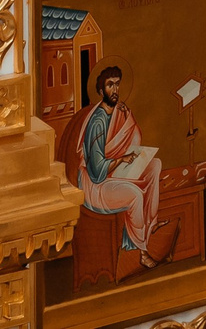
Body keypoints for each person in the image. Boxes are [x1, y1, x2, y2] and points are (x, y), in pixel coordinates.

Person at [67, 64, 162, 263]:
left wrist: (127, 117)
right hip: (95, 186)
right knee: (135, 195)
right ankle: (141, 251)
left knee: (155, 165)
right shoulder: (98, 121)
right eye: (110, 85)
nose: (115, 89)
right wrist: (121, 160)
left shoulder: (118, 112)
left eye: (117, 84)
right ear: (102, 91)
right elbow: (96, 170)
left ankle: (149, 225)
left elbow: (134, 139)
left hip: (113, 173)